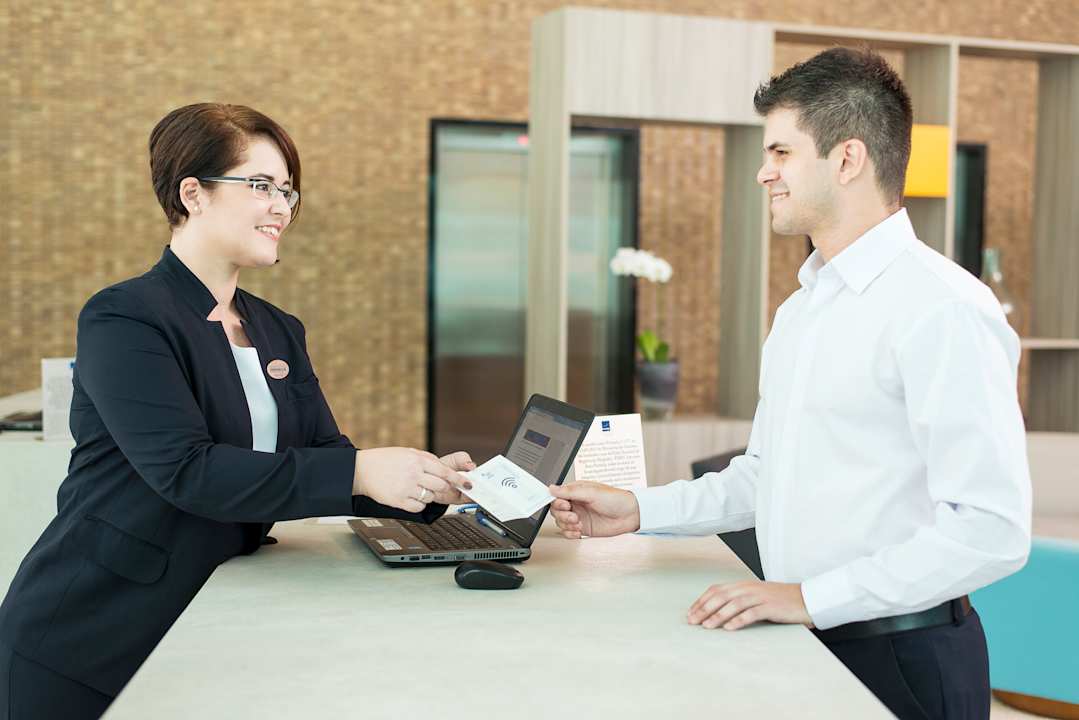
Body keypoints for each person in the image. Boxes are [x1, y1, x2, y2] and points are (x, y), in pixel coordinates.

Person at [551, 48, 1030, 720]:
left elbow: (989, 528)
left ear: (847, 159)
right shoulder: (802, 308)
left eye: (780, 152)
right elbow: (764, 478)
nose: (762, 172)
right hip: (804, 641)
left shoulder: (943, 307)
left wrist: (809, 599)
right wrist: (638, 510)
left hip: (903, 658)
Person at [0, 103, 474, 720]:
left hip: (205, 625)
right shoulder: (125, 318)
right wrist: (360, 473)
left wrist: (422, 483)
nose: (281, 206)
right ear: (192, 193)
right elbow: (187, 471)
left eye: (286, 190)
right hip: (89, 636)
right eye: (259, 186)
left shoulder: (277, 328)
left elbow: (325, 454)